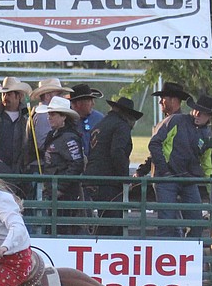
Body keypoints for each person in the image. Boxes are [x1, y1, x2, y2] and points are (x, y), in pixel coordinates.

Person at [147, 81, 203, 237]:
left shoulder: (171, 121)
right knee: (194, 222)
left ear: (173, 100)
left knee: (167, 224)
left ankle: (169, 257)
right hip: (182, 178)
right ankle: (188, 255)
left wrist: (163, 171)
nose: (160, 102)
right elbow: (156, 146)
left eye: (163, 98)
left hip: (170, 179)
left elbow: (155, 145)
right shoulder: (183, 121)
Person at [85, 96, 143, 236]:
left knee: (104, 220)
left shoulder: (101, 124)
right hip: (109, 181)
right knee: (113, 221)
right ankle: (107, 252)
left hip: (93, 178)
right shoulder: (121, 126)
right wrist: (125, 178)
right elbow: (117, 152)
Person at [32, 95, 86, 233]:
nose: (49, 117)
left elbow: (77, 164)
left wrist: (60, 187)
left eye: (53, 114)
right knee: (53, 226)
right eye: (49, 114)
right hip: (53, 190)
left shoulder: (69, 138)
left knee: (63, 227)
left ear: (64, 117)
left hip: (65, 194)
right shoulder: (53, 135)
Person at [26, 77, 72, 167]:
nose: (62, 97)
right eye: (58, 94)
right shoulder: (43, 115)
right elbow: (43, 144)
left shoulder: (41, 113)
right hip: (41, 166)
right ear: (47, 96)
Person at [0, 76, 32, 172]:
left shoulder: (27, 119)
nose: (5, 97)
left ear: (19, 96)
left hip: (20, 172)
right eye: (3, 94)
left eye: (9, 94)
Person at [69, 83, 105, 157]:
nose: (93, 104)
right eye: (89, 101)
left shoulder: (99, 119)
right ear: (78, 104)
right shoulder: (65, 120)